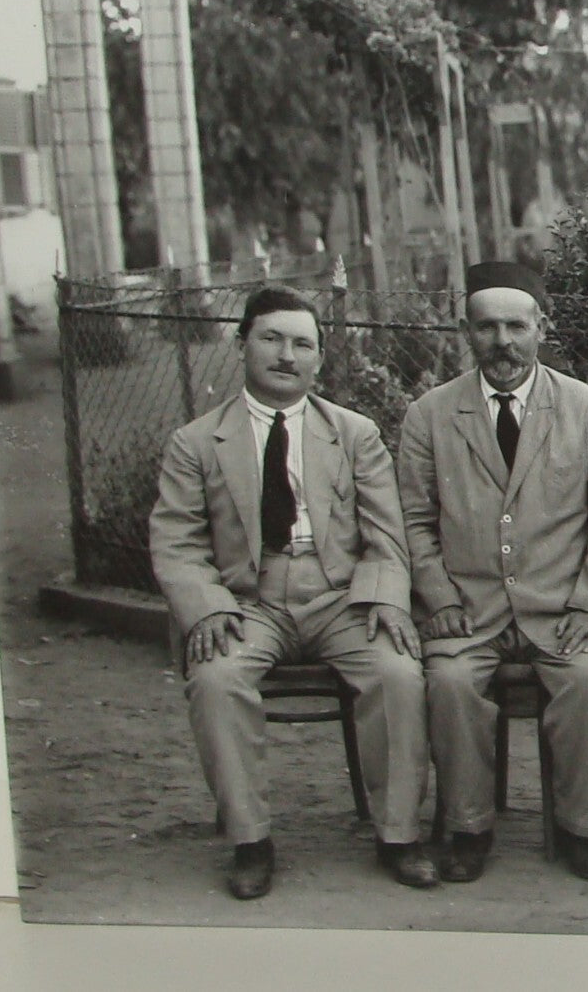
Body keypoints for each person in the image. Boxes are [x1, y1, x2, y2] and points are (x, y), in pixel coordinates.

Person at [149, 285, 436, 899]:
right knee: (217, 677)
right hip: (248, 600)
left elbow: (388, 531)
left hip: (340, 594)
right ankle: (251, 842)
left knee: (398, 672)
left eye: (302, 343)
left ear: (320, 358)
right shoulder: (198, 442)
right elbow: (176, 541)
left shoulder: (353, 434)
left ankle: (400, 835)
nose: (287, 355)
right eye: (271, 339)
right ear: (241, 343)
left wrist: (386, 597)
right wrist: (206, 608)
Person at [396, 261, 588, 884]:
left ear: (541, 328)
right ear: (465, 333)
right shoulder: (429, 415)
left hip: (562, 610)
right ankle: (469, 827)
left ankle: (581, 828)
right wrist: (438, 596)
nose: (502, 342)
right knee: (448, 683)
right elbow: (414, 520)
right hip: (468, 610)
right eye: (486, 328)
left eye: (515, 326)